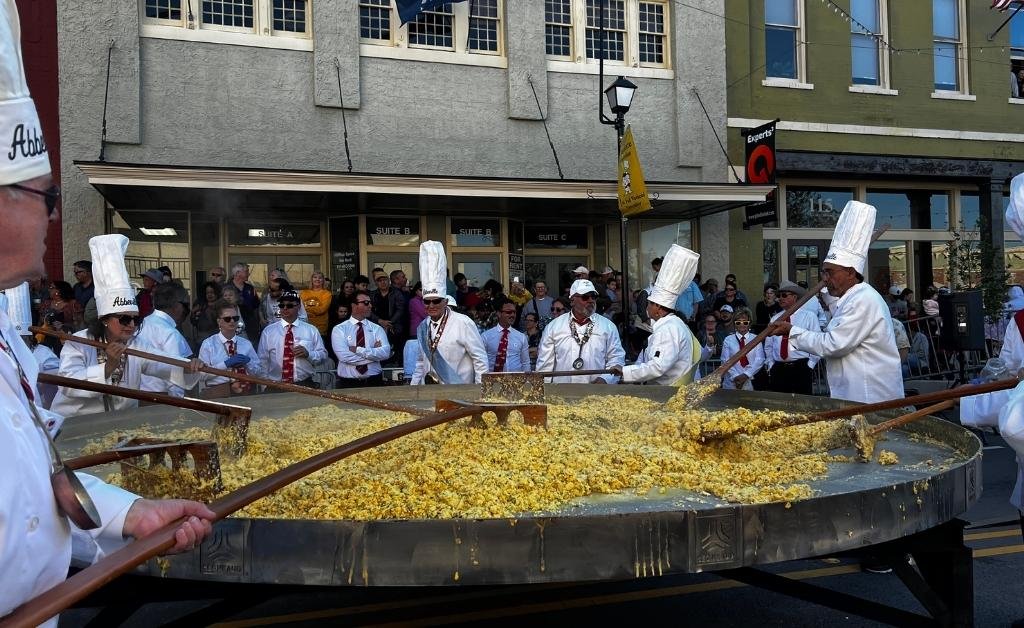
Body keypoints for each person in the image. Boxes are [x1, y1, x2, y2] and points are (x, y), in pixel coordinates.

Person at [0, 18, 213, 614]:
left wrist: (129, 514)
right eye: (48, 198)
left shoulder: (4, 343)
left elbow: (42, 478)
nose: (51, 220)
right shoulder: (62, 351)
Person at [50, 236, 205, 417]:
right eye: (124, 319)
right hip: (74, 424)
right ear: (105, 319)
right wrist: (108, 367)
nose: (131, 325)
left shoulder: (136, 345)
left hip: (119, 424)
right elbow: (68, 384)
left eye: (135, 319)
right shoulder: (78, 343)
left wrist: (188, 365)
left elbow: (163, 362)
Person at [769, 201, 903, 404]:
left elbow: (833, 344)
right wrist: (828, 292)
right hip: (854, 396)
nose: (824, 278)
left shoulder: (864, 300)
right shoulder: (852, 298)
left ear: (850, 272)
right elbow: (838, 314)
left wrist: (791, 331)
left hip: (870, 397)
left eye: (829, 272)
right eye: (823, 272)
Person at [612, 244, 700, 385]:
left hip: (667, 393)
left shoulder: (668, 329)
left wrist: (626, 372)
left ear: (658, 307)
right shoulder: (673, 324)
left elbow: (658, 367)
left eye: (649, 303)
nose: (647, 307)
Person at [411, 241, 488, 385]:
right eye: (427, 301)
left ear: (445, 302)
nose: (431, 305)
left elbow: (480, 359)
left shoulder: (463, 322)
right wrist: (412, 390)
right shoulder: (422, 327)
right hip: (429, 393)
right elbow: (420, 364)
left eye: (436, 301)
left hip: (460, 392)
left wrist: (479, 392)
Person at [536, 279, 624, 384]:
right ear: (572, 300)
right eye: (585, 297)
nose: (591, 300)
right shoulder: (554, 327)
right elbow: (544, 366)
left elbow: (616, 358)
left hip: (598, 394)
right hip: (561, 394)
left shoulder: (608, 326)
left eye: (593, 297)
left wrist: (605, 379)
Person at [135, 281, 195, 398]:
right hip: (161, 397)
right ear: (177, 306)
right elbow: (174, 374)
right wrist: (178, 404)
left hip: (136, 394)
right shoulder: (170, 333)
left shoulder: (142, 324)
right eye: (185, 305)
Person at [257, 290, 327, 387]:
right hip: (275, 385)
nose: (285, 308)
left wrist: (308, 354)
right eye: (282, 305)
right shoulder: (268, 331)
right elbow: (262, 360)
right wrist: (264, 385)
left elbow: (323, 355)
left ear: (298, 307)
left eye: (289, 306)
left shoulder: (311, 330)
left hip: (304, 383)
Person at [198, 300, 264, 398]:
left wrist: (248, 363)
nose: (232, 321)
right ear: (219, 321)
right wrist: (226, 364)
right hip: (219, 393)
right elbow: (201, 375)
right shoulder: (208, 344)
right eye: (227, 319)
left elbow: (258, 373)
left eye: (235, 318)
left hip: (245, 392)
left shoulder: (246, 344)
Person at [764, 280, 819, 395]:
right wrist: (771, 364)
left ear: (795, 297)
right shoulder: (775, 319)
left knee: (803, 405)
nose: (780, 298)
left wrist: (810, 365)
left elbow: (817, 342)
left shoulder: (809, 316)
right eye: (779, 296)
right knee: (779, 407)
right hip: (778, 369)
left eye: (784, 295)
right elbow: (769, 345)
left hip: (801, 367)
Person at [332, 290, 390, 388]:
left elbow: (385, 353)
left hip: (374, 381)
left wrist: (358, 350)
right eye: (366, 303)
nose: (370, 306)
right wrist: (374, 356)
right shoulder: (339, 329)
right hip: (348, 382)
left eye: (370, 302)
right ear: (354, 305)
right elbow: (344, 357)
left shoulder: (376, 328)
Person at [720, 307, 765, 391]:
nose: (742, 324)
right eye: (738, 322)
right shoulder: (728, 339)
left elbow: (760, 359)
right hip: (731, 381)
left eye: (745, 322)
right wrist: (736, 376)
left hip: (749, 380)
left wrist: (746, 375)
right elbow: (725, 360)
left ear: (749, 323)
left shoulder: (756, 338)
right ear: (734, 324)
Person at [482, 298, 530, 373]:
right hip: (493, 381)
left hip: (516, 381)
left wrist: (527, 382)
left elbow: (525, 363)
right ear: (499, 313)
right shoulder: (486, 336)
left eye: (514, 312)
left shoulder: (521, 337)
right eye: (509, 312)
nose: (512, 315)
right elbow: (481, 362)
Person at [188, 280, 222, 347]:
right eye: (207, 293)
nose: (209, 295)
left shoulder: (221, 305)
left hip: (217, 336)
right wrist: (193, 313)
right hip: (201, 338)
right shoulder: (200, 304)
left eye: (212, 292)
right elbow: (193, 322)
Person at [300, 270, 332, 339]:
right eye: (315, 277)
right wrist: (314, 309)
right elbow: (300, 309)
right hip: (305, 326)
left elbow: (322, 309)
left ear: (323, 280)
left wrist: (307, 309)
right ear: (311, 279)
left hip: (320, 329)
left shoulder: (327, 294)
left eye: (320, 278)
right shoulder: (304, 293)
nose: (317, 279)